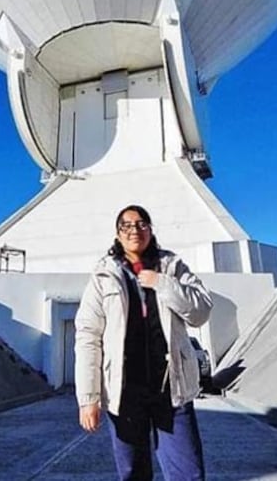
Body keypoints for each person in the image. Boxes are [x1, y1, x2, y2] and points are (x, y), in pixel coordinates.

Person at [75, 204, 213, 480]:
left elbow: (201, 311)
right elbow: (88, 336)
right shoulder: (104, 275)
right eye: (126, 225)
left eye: (141, 224)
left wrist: (162, 283)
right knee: (133, 474)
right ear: (117, 234)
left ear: (150, 229)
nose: (134, 230)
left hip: (171, 390)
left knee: (189, 474)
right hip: (125, 392)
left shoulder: (172, 266)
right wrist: (89, 399)